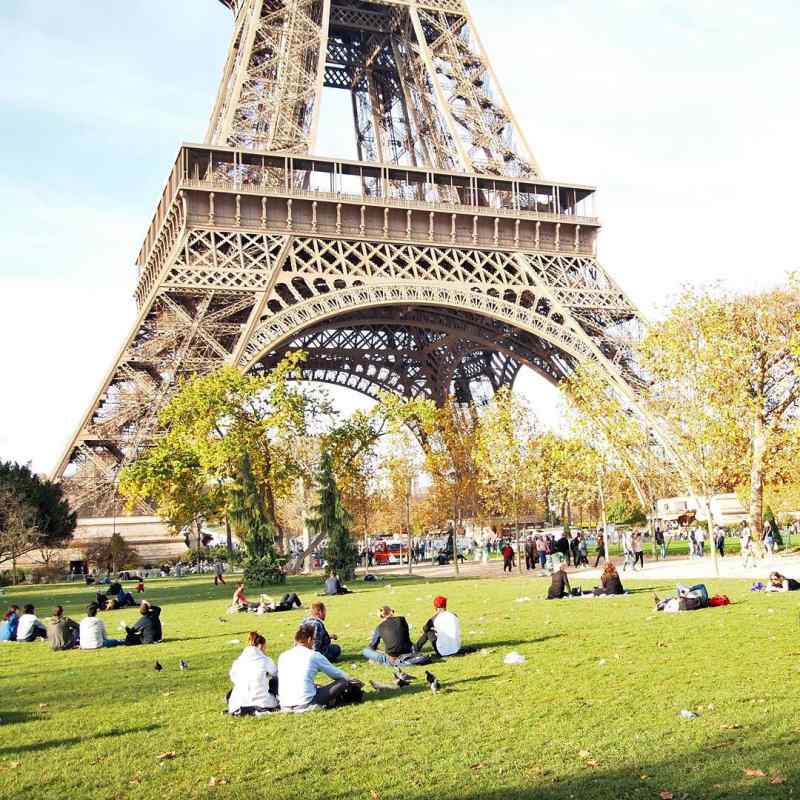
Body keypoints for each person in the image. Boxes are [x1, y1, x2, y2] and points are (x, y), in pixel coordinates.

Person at [278, 624, 362, 711]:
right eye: (314, 640)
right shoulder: (313, 655)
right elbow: (337, 674)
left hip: (285, 705)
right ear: (309, 640)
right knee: (343, 681)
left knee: (316, 687)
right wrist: (351, 679)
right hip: (306, 703)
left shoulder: (283, 656)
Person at [227, 631, 278, 716]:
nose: (266, 650)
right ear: (260, 646)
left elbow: (233, 678)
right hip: (261, 702)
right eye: (265, 648)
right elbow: (275, 673)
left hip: (237, 704)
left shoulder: (238, 662)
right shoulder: (265, 660)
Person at [363, 606, 427, 667]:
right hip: (408, 651)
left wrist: (379, 650)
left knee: (365, 651)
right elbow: (404, 636)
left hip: (393, 658)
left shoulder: (379, 627)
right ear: (392, 612)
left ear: (381, 617)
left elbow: (373, 646)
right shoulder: (402, 619)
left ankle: (385, 661)